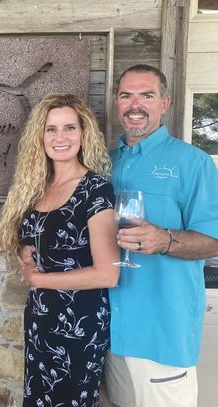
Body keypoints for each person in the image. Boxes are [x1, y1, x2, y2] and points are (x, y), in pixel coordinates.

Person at [103, 64, 218, 407]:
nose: (135, 104)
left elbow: (214, 241)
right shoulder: (104, 163)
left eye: (146, 95)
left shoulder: (192, 163)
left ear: (164, 103)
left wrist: (165, 240)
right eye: (126, 95)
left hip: (161, 334)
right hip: (111, 332)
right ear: (117, 103)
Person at [0, 93, 119, 407]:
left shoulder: (95, 188)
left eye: (69, 128)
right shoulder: (37, 185)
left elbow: (108, 273)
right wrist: (25, 249)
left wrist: (40, 280)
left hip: (79, 324)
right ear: (41, 136)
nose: (60, 137)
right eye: (51, 129)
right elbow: (31, 237)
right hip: (41, 318)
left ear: (83, 133)